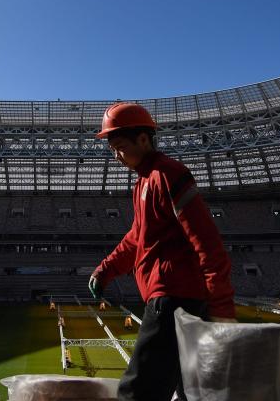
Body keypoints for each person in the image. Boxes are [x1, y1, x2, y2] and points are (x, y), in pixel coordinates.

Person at [88, 102, 236, 401]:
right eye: (112, 149)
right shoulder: (144, 181)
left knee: (138, 390)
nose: (116, 156)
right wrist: (106, 269)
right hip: (175, 297)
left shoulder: (169, 174)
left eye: (119, 147)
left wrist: (221, 309)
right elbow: (136, 239)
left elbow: (207, 243)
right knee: (189, 390)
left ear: (144, 139)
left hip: (174, 299)